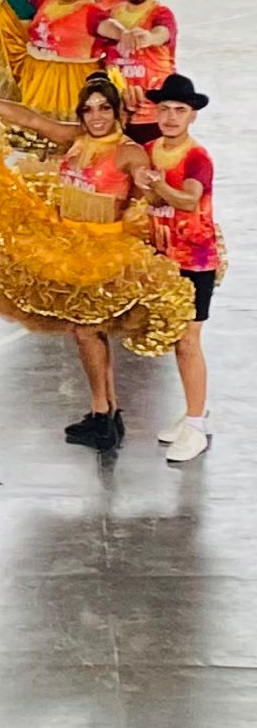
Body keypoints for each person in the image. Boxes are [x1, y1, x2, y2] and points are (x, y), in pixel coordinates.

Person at [0, 79, 189, 451]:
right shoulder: (77, 137)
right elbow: (31, 119)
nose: (96, 117)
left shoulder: (129, 153)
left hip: (102, 252)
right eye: (89, 109)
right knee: (87, 332)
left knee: (85, 331)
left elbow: (149, 197)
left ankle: (102, 414)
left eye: (104, 108)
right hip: (66, 244)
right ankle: (107, 412)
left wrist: (151, 185)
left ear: (117, 111)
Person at [135, 74, 217, 462]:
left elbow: (188, 201)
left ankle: (197, 424)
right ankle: (193, 413)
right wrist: (143, 183)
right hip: (162, 257)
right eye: (165, 109)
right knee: (176, 339)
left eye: (179, 110)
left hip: (195, 260)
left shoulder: (197, 157)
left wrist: (156, 185)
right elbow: (149, 197)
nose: (170, 117)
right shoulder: (149, 149)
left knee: (187, 341)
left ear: (192, 115)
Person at [103, 0, 176, 144]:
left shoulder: (161, 13)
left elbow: (163, 33)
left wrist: (148, 37)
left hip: (153, 115)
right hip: (118, 114)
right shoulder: (111, 14)